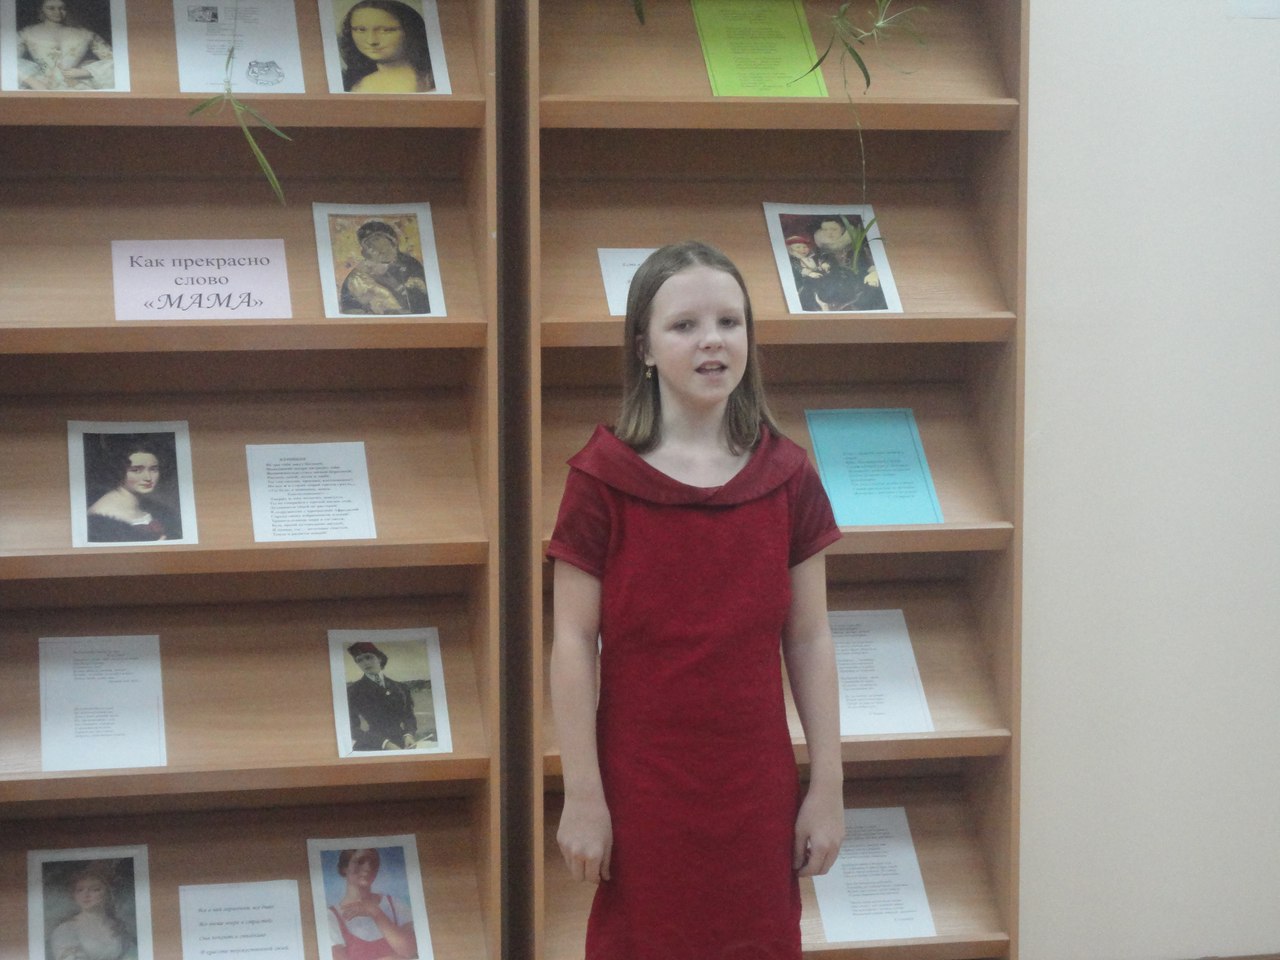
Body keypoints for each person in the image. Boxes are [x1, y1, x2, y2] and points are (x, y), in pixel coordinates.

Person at [548, 241, 846, 959]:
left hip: (755, 786)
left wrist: (828, 785)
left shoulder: (787, 476)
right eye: (685, 325)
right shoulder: (600, 478)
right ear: (644, 347)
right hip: (641, 785)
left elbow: (809, 639)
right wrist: (582, 793)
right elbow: (572, 644)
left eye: (729, 322)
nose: (712, 339)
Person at [327, 848, 418, 960]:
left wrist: (375, 912)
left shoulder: (395, 905)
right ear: (344, 868)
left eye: (373, 863)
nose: (368, 868)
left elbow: (411, 952)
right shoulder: (331, 916)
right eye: (360, 861)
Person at [85, 438, 180, 543]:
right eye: (136, 470)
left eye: (153, 469)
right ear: (119, 470)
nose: (148, 477)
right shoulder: (101, 516)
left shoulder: (158, 509)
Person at [338, 0, 434, 93]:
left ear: (410, 32)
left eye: (386, 30)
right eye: (361, 30)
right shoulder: (355, 82)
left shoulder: (426, 80)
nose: (371, 41)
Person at [17, 0, 115, 91]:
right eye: (51, 8)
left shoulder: (85, 34)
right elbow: (8, 62)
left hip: (77, 87)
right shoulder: (27, 33)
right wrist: (31, 81)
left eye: (62, 8)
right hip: (41, 86)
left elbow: (114, 61)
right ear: (41, 9)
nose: (57, 12)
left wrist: (87, 72)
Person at [338, 219, 430, 315]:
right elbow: (349, 308)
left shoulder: (411, 264)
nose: (373, 246)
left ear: (392, 241)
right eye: (367, 244)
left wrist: (419, 287)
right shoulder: (359, 274)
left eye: (376, 239)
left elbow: (425, 303)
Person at [48, 862, 134, 960]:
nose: (86, 894)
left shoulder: (117, 927)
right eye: (80, 890)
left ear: (108, 894)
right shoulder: (66, 930)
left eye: (95, 889)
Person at [346, 641, 418, 751]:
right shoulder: (353, 691)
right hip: (372, 744)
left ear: (379, 658)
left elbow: (409, 716)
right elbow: (351, 728)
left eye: (368, 657)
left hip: (402, 743)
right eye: (359, 660)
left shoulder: (400, 687)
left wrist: (409, 735)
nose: (365, 663)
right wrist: (384, 743)